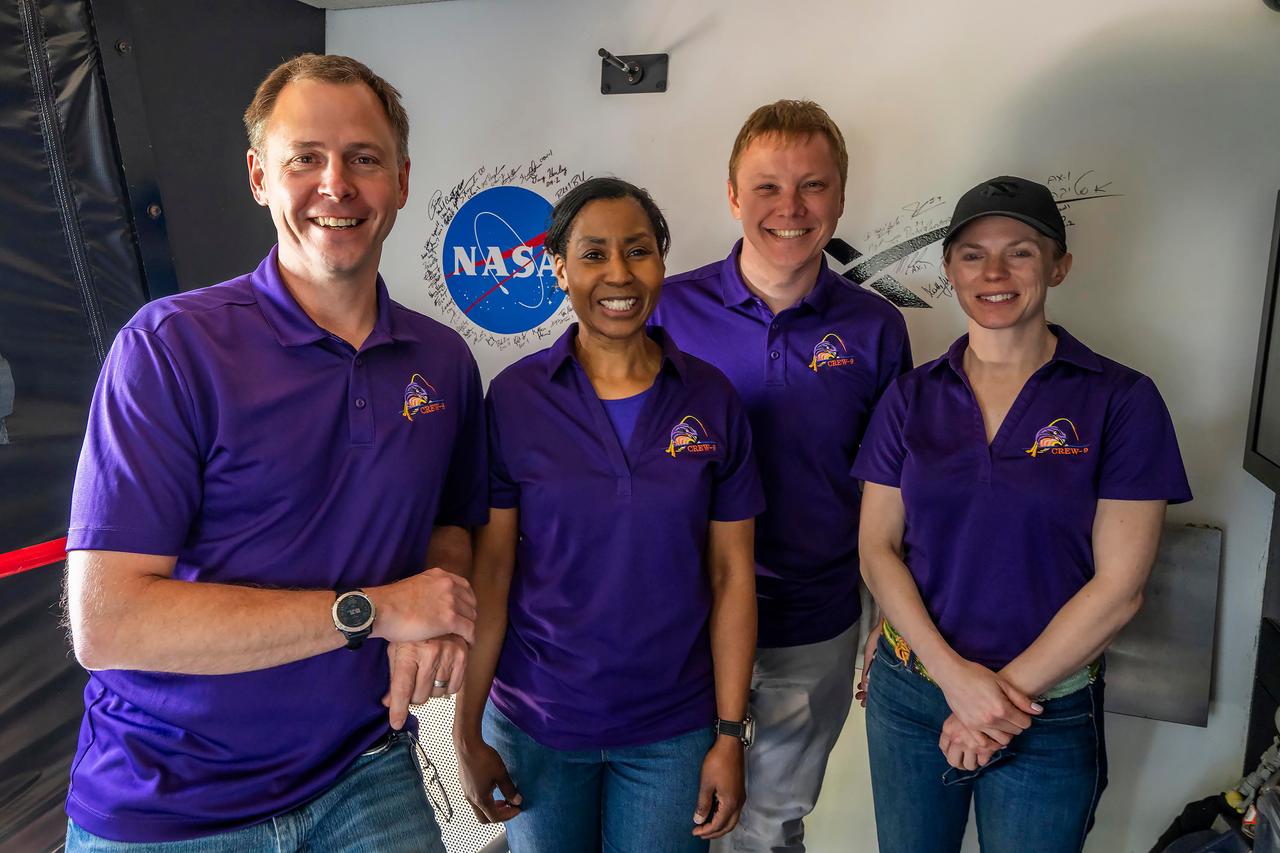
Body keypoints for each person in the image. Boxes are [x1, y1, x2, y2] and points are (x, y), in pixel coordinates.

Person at [61, 54, 486, 851]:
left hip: (359, 771)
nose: (337, 184)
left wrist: (435, 606)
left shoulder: (443, 362)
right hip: (169, 800)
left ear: (400, 179)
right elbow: (109, 622)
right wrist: (374, 610)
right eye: (306, 159)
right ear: (260, 177)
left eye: (364, 158)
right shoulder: (169, 349)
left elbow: (451, 523)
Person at [854, 175, 1193, 853]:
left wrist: (996, 702)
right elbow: (877, 549)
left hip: (1050, 708)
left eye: (1021, 252)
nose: (995, 272)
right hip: (911, 697)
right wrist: (956, 680)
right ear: (950, 271)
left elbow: (1119, 589)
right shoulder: (910, 397)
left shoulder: (1121, 400)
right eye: (973, 255)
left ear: (1059, 265)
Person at [453, 177, 765, 851]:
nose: (619, 273)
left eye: (639, 250)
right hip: (539, 724)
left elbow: (732, 575)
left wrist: (730, 733)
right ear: (560, 268)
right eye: (594, 254)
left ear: (661, 262)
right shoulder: (515, 398)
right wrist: (466, 729)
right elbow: (495, 570)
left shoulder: (711, 398)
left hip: (674, 731)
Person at [652, 100, 912, 851]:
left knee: (766, 827)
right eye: (767, 187)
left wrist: (887, 609)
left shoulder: (875, 327)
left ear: (839, 197)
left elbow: (892, 488)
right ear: (733, 196)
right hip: (679, 621)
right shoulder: (667, 311)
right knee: (667, 820)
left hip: (812, 621)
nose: (790, 208)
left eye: (813, 187)